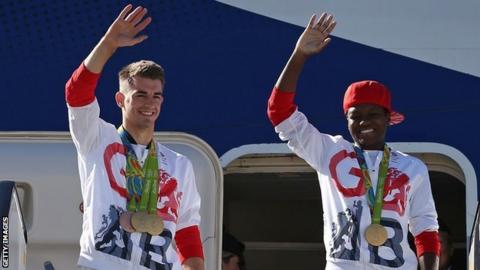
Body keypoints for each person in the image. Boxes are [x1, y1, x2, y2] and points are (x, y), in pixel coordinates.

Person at [267, 13, 441, 269]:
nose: (364, 122)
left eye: (373, 115)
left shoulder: (412, 168)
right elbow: (279, 112)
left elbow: (426, 229)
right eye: (355, 116)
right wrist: (299, 55)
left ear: (387, 118)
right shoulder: (329, 152)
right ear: (346, 120)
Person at [65, 5, 204, 270]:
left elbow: (187, 230)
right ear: (120, 99)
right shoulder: (97, 139)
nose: (149, 103)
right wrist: (109, 44)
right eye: (140, 94)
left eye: (156, 95)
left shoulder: (179, 164)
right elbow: (76, 93)